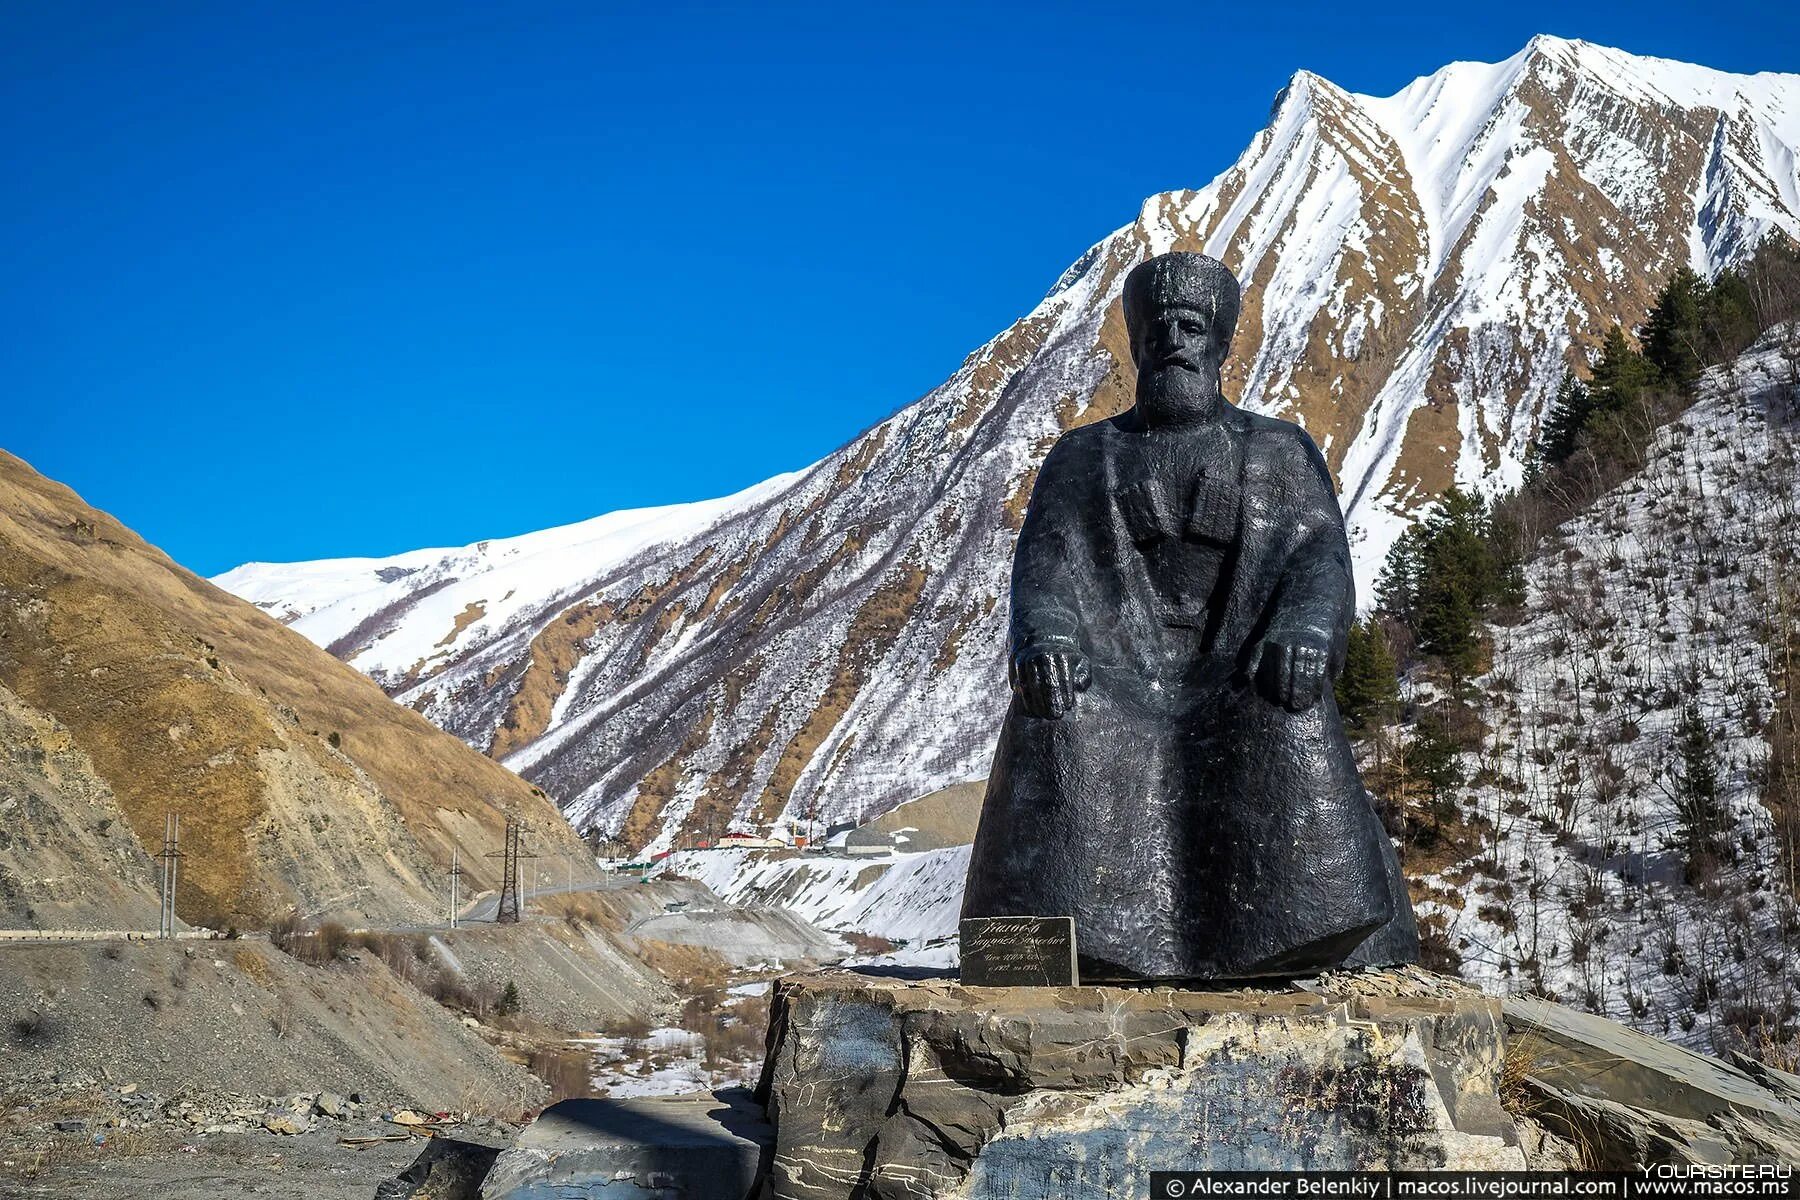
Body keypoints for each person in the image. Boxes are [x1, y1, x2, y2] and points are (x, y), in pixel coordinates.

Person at [961, 251, 1418, 981]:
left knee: (1285, 701)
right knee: (1057, 704)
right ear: (1138, 343)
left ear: (1220, 343)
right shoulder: (1083, 457)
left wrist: (1304, 630)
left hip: (1239, 672)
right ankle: (1066, 940)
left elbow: (1318, 559)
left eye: (1192, 326)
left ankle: (1305, 931)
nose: (1174, 340)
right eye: (1160, 327)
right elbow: (1045, 568)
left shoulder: (1278, 451)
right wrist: (1046, 638)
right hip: (1119, 677)